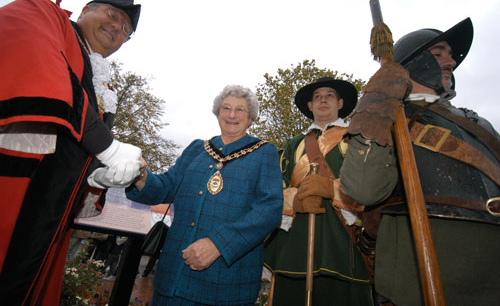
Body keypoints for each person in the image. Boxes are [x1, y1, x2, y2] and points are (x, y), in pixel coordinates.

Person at [340, 18, 500, 306]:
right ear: (410, 64)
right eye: (438, 53)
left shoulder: (480, 124)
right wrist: (377, 105)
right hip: (425, 274)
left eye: (450, 54)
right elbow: (364, 189)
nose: (451, 61)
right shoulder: (390, 119)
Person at [0, 0, 142, 305]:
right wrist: (108, 146)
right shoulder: (45, 14)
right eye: (112, 15)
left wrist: (100, 177)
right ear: (85, 10)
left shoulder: (105, 88)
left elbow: (75, 152)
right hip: (12, 187)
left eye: (126, 30)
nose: (117, 28)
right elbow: (32, 54)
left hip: (53, 212)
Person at [121, 85, 283, 305]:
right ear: (217, 113)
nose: (232, 115)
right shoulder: (197, 149)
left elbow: (269, 210)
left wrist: (219, 244)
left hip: (226, 280)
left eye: (240, 110)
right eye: (226, 108)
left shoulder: (264, 152)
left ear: (251, 118)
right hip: (174, 274)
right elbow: (167, 186)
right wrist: (141, 177)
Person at [264, 77, 374, 305]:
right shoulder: (293, 144)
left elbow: (371, 185)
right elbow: (276, 189)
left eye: (329, 96)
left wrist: (333, 189)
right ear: (310, 106)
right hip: (295, 243)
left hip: (342, 243)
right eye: (317, 97)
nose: (323, 100)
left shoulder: (357, 137)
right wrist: (295, 200)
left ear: (340, 103)